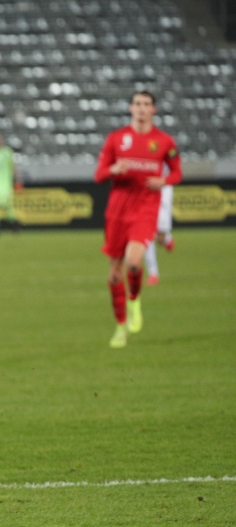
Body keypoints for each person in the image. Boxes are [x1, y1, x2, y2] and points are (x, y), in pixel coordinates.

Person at [94, 91, 182, 348]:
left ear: (154, 109)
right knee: (113, 274)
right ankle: (120, 325)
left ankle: (134, 300)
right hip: (117, 211)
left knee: (134, 262)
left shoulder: (164, 141)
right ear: (131, 108)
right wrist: (113, 169)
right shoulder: (116, 139)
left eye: (146, 104)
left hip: (145, 209)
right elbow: (99, 175)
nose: (141, 108)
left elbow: (177, 173)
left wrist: (164, 180)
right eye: (137, 104)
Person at [143, 183, 176, 286]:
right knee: (146, 234)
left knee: (159, 238)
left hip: (163, 187)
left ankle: (166, 239)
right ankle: (153, 274)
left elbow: (176, 173)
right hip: (146, 189)